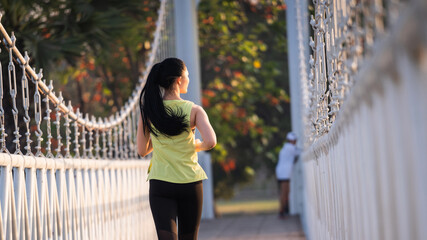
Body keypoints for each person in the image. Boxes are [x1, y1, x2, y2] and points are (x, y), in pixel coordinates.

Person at [137, 58, 216, 240]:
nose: (189, 79)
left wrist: (159, 139)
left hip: (161, 184)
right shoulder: (194, 110)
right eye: (187, 75)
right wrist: (196, 145)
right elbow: (211, 141)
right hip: (190, 182)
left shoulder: (150, 111)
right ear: (179, 79)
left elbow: (142, 151)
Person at [275, 132, 300, 218]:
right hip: (284, 172)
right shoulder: (290, 148)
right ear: (291, 140)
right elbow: (299, 153)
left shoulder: (286, 148)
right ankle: (282, 210)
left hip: (284, 172)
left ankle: (284, 209)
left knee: (286, 192)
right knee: (284, 192)